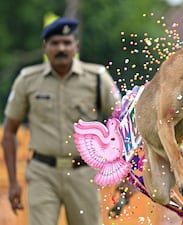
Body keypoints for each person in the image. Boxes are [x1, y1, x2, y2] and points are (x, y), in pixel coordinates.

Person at [1, 17, 121, 225]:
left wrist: (124, 173)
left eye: (66, 42)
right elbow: (10, 130)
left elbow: (120, 124)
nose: (61, 48)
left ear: (76, 46)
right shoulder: (28, 80)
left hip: (83, 172)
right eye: (54, 43)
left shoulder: (97, 78)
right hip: (42, 173)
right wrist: (13, 183)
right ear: (45, 47)